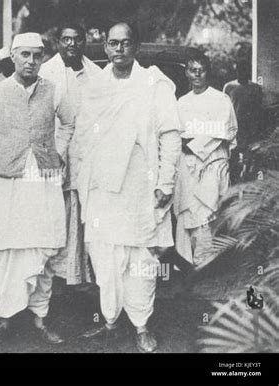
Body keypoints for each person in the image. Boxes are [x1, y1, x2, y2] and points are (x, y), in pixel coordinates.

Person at [75, 22, 182, 353]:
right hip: (102, 189)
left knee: (141, 258)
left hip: (139, 186)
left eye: (125, 43)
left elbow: (171, 135)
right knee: (104, 257)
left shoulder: (154, 83)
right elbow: (82, 138)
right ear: (105, 48)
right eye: (112, 43)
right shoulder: (94, 85)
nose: (118, 49)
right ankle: (109, 320)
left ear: (136, 47)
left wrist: (165, 181)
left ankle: (141, 325)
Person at [0, 32, 75, 346]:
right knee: (3, 250)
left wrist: (58, 150)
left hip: (42, 183)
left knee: (41, 247)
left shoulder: (55, 91)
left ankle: (39, 318)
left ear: (43, 58)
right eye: (25, 55)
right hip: (6, 182)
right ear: (13, 58)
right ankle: (3, 319)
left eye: (37, 55)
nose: (31, 61)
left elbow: (70, 122)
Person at [39, 22, 100, 287]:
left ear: (84, 42)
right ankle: (54, 278)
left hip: (88, 156)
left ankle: (81, 276)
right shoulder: (45, 73)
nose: (72, 44)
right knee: (56, 216)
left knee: (84, 215)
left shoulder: (97, 74)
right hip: (56, 156)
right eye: (66, 39)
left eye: (77, 39)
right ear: (58, 42)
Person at [174, 52, 237, 268]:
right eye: (193, 70)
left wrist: (192, 143)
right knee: (189, 213)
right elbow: (177, 134)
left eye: (201, 69)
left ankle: (208, 265)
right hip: (187, 168)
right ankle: (189, 262)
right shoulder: (181, 102)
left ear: (207, 72)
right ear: (187, 73)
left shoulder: (221, 99)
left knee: (208, 213)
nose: (197, 74)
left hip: (212, 165)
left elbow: (224, 131)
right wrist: (186, 143)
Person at [223, 60, 263, 182]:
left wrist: (256, 129)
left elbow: (259, 109)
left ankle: (247, 185)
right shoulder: (229, 87)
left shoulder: (255, 88)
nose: (242, 72)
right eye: (240, 69)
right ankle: (233, 186)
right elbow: (224, 108)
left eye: (245, 69)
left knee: (249, 160)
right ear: (236, 71)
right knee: (233, 159)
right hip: (234, 128)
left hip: (250, 129)